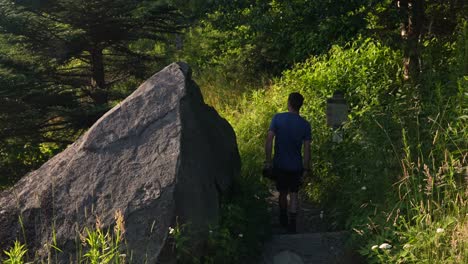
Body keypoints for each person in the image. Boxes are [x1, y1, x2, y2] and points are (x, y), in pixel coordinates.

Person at [264, 92, 311, 233]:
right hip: (296, 165)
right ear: (300, 106)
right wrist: (306, 168)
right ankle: (293, 223)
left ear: (288, 102)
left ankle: (283, 217)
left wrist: (268, 160)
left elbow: (269, 140)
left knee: (283, 193)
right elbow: (307, 149)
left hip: (280, 163)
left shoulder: (277, 118)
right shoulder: (305, 125)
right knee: (294, 194)